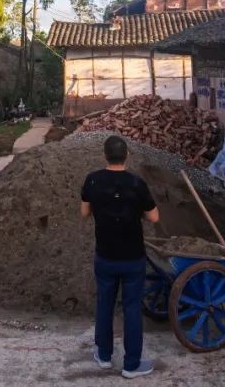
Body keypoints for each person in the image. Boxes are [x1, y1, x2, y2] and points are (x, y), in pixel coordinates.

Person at [80, 135, 160, 378]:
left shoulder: (92, 181)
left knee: (104, 304)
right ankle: (131, 365)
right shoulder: (137, 184)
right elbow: (154, 217)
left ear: (105, 155)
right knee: (132, 308)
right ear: (126, 155)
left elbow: (84, 213)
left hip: (105, 255)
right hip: (132, 257)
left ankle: (103, 356)